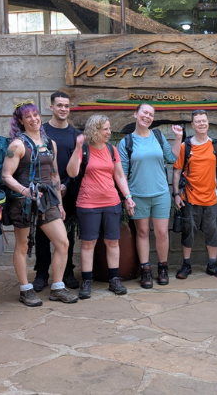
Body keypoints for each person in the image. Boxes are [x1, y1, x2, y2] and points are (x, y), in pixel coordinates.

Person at [2, 101, 79, 306]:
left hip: (48, 201)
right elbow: (6, 176)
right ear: (20, 121)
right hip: (23, 202)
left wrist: (60, 205)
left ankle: (57, 287)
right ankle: (25, 289)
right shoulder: (17, 145)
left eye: (35, 114)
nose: (34, 119)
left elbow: (54, 176)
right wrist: (25, 191)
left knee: (62, 243)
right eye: (28, 116)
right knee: (23, 245)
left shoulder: (49, 143)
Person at [67, 115, 136, 299]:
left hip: (111, 202)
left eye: (109, 128)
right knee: (89, 243)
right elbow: (72, 172)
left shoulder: (112, 150)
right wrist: (77, 149)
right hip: (88, 203)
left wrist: (128, 197)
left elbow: (120, 176)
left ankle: (114, 279)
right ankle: (87, 281)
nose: (108, 132)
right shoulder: (84, 150)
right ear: (94, 130)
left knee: (112, 242)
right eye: (105, 129)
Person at [118, 103, 183, 288]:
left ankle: (163, 267)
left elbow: (171, 158)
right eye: (144, 112)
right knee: (143, 232)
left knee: (162, 233)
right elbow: (121, 173)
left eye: (151, 114)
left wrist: (178, 138)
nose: (147, 116)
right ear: (135, 114)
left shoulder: (157, 135)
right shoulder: (127, 142)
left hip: (160, 192)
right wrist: (127, 197)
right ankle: (145, 269)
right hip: (138, 195)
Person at [172, 110, 217, 279]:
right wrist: (176, 194)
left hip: (211, 199)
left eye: (204, 121)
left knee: (213, 231)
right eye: (198, 121)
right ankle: (186, 265)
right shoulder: (185, 146)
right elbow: (176, 172)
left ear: (208, 122)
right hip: (189, 198)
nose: (201, 124)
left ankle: (212, 265)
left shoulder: (215, 146)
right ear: (192, 125)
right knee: (188, 231)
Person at [32, 91, 81, 293]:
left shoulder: (75, 135)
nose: (63, 109)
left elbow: (78, 165)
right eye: (59, 105)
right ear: (51, 107)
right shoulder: (41, 132)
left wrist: (66, 185)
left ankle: (67, 272)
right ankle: (41, 273)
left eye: (66, 106)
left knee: (67, 234)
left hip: (66, 193)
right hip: (43, 193)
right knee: (42, 235)